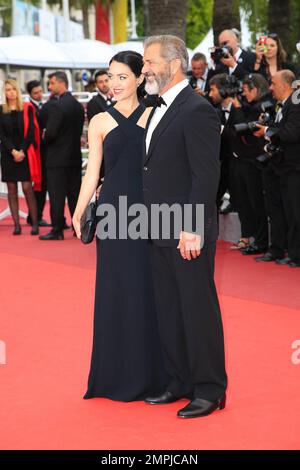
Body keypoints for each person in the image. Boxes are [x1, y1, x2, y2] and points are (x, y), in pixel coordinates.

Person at [72, 51, 167, 401]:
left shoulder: (156, 114)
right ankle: (113, 375)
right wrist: (81, 209)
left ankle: (155, 374)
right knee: (115, 288)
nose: (114, 84)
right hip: (112, 213)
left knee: (148, 288)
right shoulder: (98, 120)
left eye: (122, 76)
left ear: (140, 78)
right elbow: (92, 171)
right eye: (110, 77)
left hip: (148, 212)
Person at [142, 35, 227, 418]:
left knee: (196, 309)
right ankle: (178, 381)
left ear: (173, 64)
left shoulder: (197, 109)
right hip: (155, 225)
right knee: (168, 307)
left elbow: (205, 175)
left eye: (149, 61)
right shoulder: (154, 106)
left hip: (185, 229)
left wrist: (191, 228)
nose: (144, 68)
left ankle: (210, 389)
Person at [254, 70, 300, 267]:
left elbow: (291, 134)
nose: (270, 87)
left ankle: (295, 254)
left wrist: (267, 131)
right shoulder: (280, 105)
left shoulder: (296, 105)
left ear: (285, 84)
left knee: (293, 212)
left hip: (292, 167)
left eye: (273, 83)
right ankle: (277, 248)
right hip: (276, 166)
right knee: (276, 211)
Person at [40, 71, 84, 241]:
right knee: (74, 194)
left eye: (51, 83)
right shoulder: (78, 105)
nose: (49, 87)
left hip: (57, 158)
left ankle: (57, 230)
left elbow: (50, 133)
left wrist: (45, 134)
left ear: (61, 83)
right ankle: (76, 227)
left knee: (57, 196)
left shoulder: (58, 106)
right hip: (74, 157)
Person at [0, 79, 40, 235]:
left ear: (17, 91)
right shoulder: (1, 110)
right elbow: (2, 135)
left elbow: (30, 132)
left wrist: (21, 151)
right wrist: (13, 151)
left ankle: (34, 223)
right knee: (11, 190)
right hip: (8, 154)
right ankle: (17, 225)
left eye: (13, 89)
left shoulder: (26, 108)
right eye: (7, 89)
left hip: (24, 153)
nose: (10, 92)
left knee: (27, 188)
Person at [26, 80, 50, 227]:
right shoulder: (29, 108)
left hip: (44, 152)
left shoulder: (42, 106)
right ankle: (35, 216)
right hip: (34, 153)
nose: (39, 94)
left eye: (40, 91)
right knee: (37, 186)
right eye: (36, 93)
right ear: (30, 94)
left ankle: (36, 215)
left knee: (42, 186)